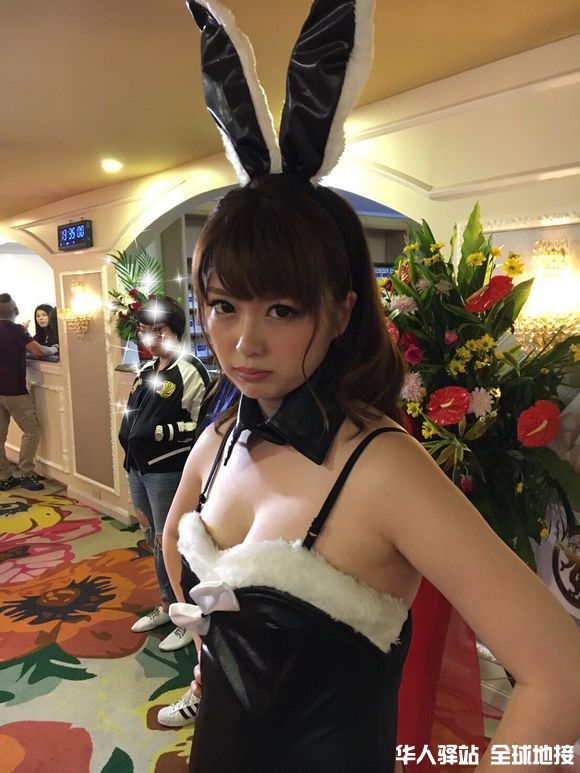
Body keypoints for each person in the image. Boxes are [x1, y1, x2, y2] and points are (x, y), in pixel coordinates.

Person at [161, 2, 580, 771]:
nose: (244, 342)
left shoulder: (382, 467)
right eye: (223, 305)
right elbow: (176, 544)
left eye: (281, 310)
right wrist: (211, 651)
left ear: (342, 309)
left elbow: (562, 672)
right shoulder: (221, 434)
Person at [119, 296, 209, 652]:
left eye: (160, 331)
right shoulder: (146, 370)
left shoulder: (191, 371)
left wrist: (160, 434)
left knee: (174, 543)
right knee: (153, 539)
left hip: (168, 470)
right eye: (145, 330)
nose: (151, 338)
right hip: (138, 467)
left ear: (175, 331)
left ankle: (188, 613)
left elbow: (203, 427)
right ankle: (167, 604)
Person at [0, 293, 58, 491]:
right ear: (15, 310)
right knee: (32, 429)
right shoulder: (16, 330)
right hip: (13, 391)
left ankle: (3, 477)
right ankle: (27, 473)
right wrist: (54, 349)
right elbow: (38, 350)